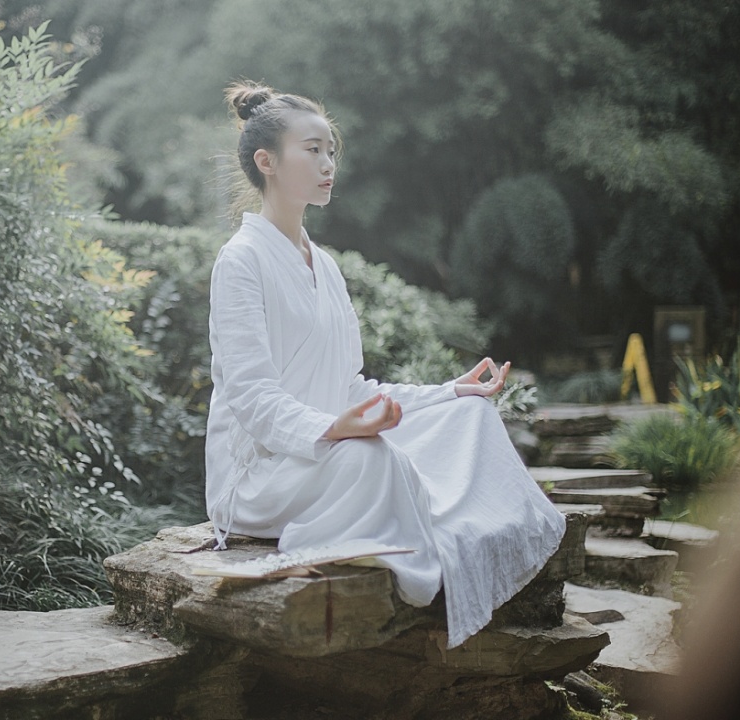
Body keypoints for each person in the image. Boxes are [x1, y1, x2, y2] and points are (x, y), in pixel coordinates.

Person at [205, 80, 566, 649]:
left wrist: (448, 392)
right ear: (266, 161)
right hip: (263, 475)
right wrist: (334, 428)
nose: (329, 164)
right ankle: (423, 530)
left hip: (329, 447)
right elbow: (251, 396)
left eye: (331, 151)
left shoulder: (324, 266)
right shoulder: (241, 260)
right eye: (313, 150)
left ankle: (444, 519)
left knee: (467, 417)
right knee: (370, 457)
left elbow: (351, 386)